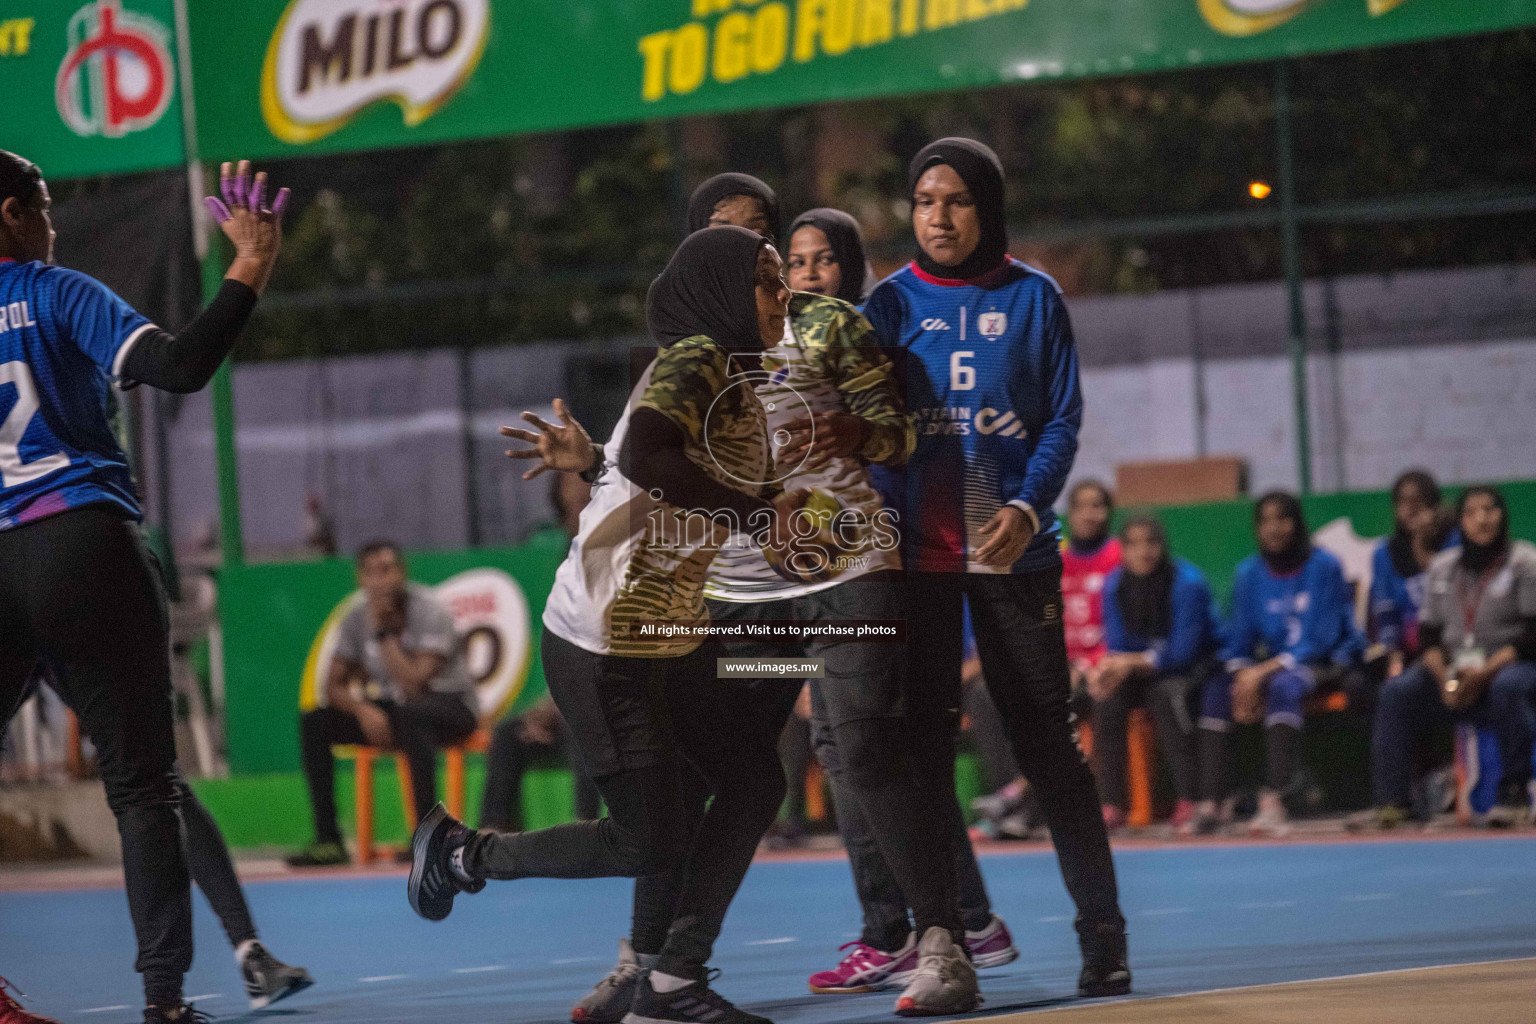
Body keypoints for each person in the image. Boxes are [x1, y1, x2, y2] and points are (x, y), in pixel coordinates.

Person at [411, 226, 807, 1024]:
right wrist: (762, 519)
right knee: (648, 839)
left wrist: (598, 458)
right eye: (769, 279)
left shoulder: (737, 376)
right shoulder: (697, 357)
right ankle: (461, 853)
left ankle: (668, 983)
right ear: (727, 291)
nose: (785, 294)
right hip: (603, 645)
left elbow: (642, 465)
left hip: (673, 634)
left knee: (751, 779)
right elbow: (654, 459)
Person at [0, 152, 287, 1022]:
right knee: (142, 788)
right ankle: (164, 1001)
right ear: (12, 214)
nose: (54, 225)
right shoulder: (55, 291)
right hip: (80, 541)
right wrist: (249, 265)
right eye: (45, 207)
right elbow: (178, 364)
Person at [864, 137, 1130, 1001]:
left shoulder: (1034, 296)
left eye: (957, 201)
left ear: (988, 208)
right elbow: (866, 433)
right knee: (922, 752)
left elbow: (1061, 418)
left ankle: (1104, 937)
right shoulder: (888, 305)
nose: (938, 217)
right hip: (922, 560)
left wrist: (1026, 509)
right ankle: (947, 945)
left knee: (1051, 750)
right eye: (925, 201)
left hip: (1014, 549)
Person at [287, 541, 479, 867]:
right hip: (396, 709)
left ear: (403, 573)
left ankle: (427, 837)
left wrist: (384, 634)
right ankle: (329, 840)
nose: (381, 581)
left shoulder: (429, 610)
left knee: (410, 714)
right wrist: (363, 710)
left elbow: (415, 684)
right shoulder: (354, 617)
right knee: (315, 721)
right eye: (371, 573)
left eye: (388, 570)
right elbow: (330, 686)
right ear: (360, 580)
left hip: (451, 704)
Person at [1363, 486, 1536, 829]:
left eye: (1490, 510)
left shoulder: (1524, 561)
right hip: (1455, 670)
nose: (1482, 519)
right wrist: (1446, 680)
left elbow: (1532, 635)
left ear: (1503, 516)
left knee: (1508, 688)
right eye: (1472, 513)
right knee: (1397, 693)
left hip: (1511, 665)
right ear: (1461, 522)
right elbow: (1428, 635)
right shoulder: (1444, 567)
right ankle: (1393, 802)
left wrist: (1483, 674)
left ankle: (1514, 794)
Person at [1196, 492, 1366, 836]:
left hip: (1328, 661)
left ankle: (1275, 800)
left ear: (1297, 523)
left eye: (1283, 518)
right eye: (1265, 520)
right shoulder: (1249, 573)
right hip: (1272, 667)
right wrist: (1243, 673)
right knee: (1216, 689)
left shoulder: (1324, 565)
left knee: (1285, 686)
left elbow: (1320, 638)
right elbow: (1240, 637)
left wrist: (1261, 672)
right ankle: (1212, 803)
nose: (1274, 528)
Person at [1091, 516, 1222, 834]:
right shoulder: (1113, 585)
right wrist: (1106, 672)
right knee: (1106, 699)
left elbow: (1182, 653)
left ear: (1162, 546)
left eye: (1151, 542)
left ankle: (1189, 798)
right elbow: (1118, 644)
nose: (1143, 551)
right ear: (1122, 550)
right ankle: (1112, 805)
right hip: (1142, 670)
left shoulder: (1188, 583)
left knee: (1167, 697)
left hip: (1196, 668)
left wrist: (1130, 662)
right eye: (1133, 544)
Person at [1368, 470, 1456, 679]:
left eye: (1418, 502)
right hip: (1406, 650)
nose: (1410, 510)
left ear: (1434, 506)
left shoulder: (1455, 543)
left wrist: (1422, 543)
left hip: (1451, 646)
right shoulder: (1384, 552)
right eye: (1403, 503)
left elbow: (1453, 600)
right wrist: (1393, 655)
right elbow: (1385, 610)